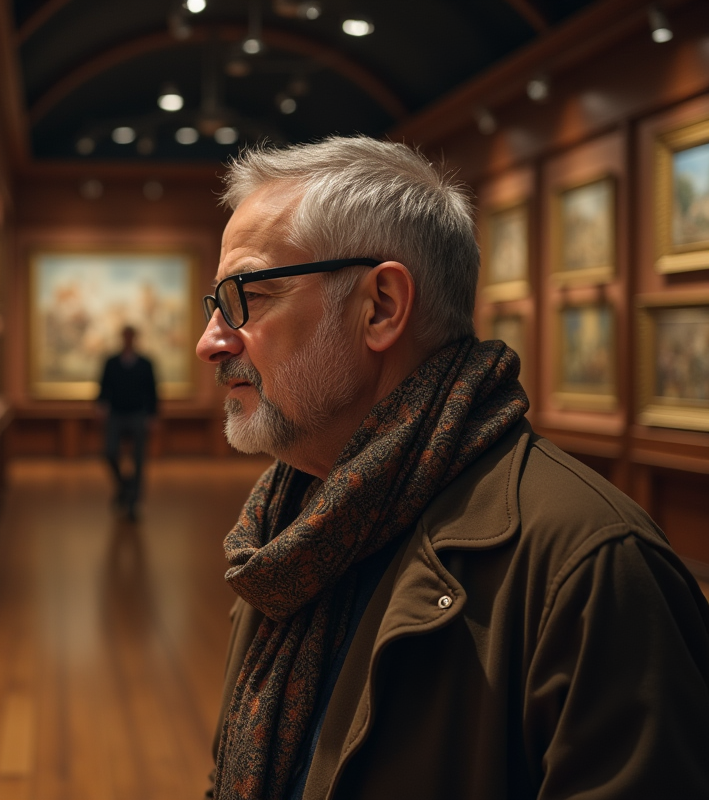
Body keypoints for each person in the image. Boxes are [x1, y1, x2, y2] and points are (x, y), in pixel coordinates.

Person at [198, 136, 709, 800]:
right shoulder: (283, 532)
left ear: (380, 306)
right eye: (216, 303)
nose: (211, 340)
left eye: (248, 296)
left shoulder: (594, 569)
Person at [97, 325, 158, 521]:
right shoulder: (111, 362)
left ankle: (133, 503)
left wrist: (152, 415)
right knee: (110, 452)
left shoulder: (145, 363)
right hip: (116, 414)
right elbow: (103, 386)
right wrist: (101, 405)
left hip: (138, 414)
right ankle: (125, 487)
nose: (128, 340)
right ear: (122, 338)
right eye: (126, 337)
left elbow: (152, 391)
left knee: (138, 459)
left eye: (131, 337)